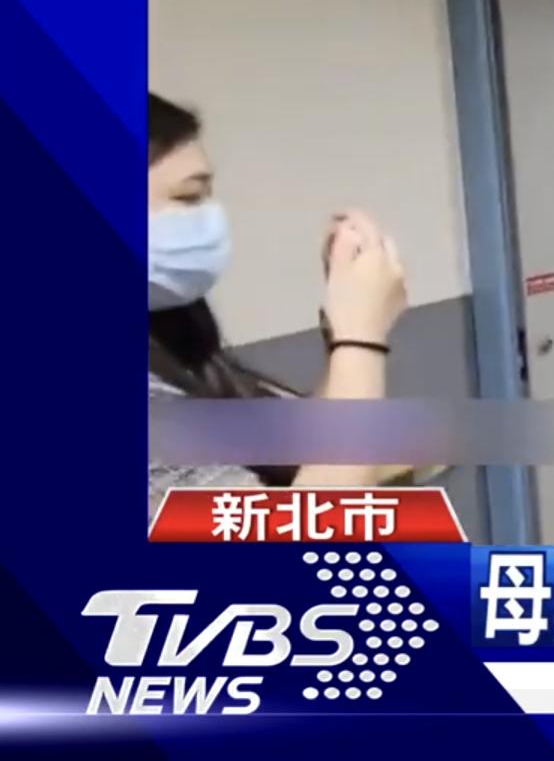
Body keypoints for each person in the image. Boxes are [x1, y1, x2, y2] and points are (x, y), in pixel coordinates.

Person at [147, 93, 413, 519]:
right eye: (188, 197)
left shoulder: (167, 333)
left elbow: (305, 453)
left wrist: (344, 329)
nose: (209, 218)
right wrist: (361, 339)